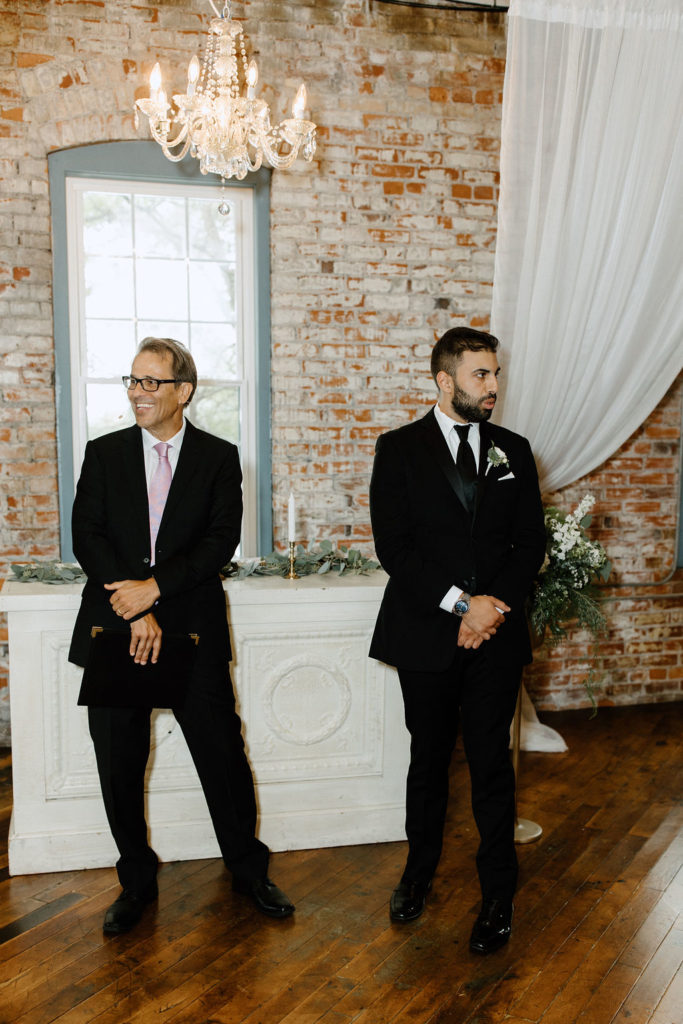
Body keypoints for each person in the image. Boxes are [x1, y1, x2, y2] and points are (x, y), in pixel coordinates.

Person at [69, 337, 294, 935]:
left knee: (222, 755)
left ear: (183, 392)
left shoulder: (220, 458)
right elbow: (86, 537)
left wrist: (157, 590)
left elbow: (220, 542)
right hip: (117, 626)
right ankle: (136, 883)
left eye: (150, 383)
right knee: (118, 762)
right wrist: (134, 603)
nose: (137, 393)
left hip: (192, 632)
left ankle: (249, 872)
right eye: (132, 381)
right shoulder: (103, 453)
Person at [369, 326, 546, 955]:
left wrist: (491, 609)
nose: (493, 386)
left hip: (494, 637)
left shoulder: (515, 451)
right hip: (427, 633)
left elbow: (531, 542)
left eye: (495, 374)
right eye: (481, 375)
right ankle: (417, 877)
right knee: (428, 761)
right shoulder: (398, 450)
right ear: (445, 382)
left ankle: (499, 893)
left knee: (493, 765)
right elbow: (396, 547)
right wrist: (460, 604)